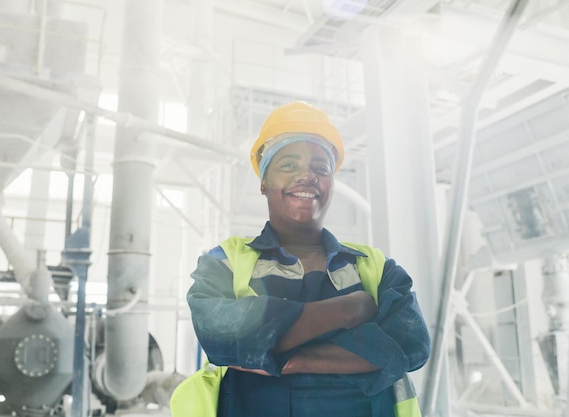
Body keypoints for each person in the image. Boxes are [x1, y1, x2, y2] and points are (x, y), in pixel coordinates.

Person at [185, 101, 431, 417]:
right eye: (288, 165)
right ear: (263, 182)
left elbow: (411, 344)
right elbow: (220, 337)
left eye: (320, 168)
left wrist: (283, 358)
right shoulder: (227, 261)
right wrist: (352, 309)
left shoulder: (374, 266)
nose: (307, 176)